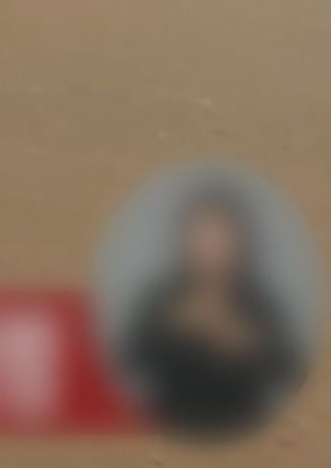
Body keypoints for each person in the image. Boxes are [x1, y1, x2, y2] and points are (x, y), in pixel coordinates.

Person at [120, 183, 303, 439]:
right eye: (202, 236)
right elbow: (132, 357)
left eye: (220, 238)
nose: (211, 249)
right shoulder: (161, 298)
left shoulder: (260, 303)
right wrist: (175, 330)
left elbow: (286, 365)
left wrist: (244, 344)